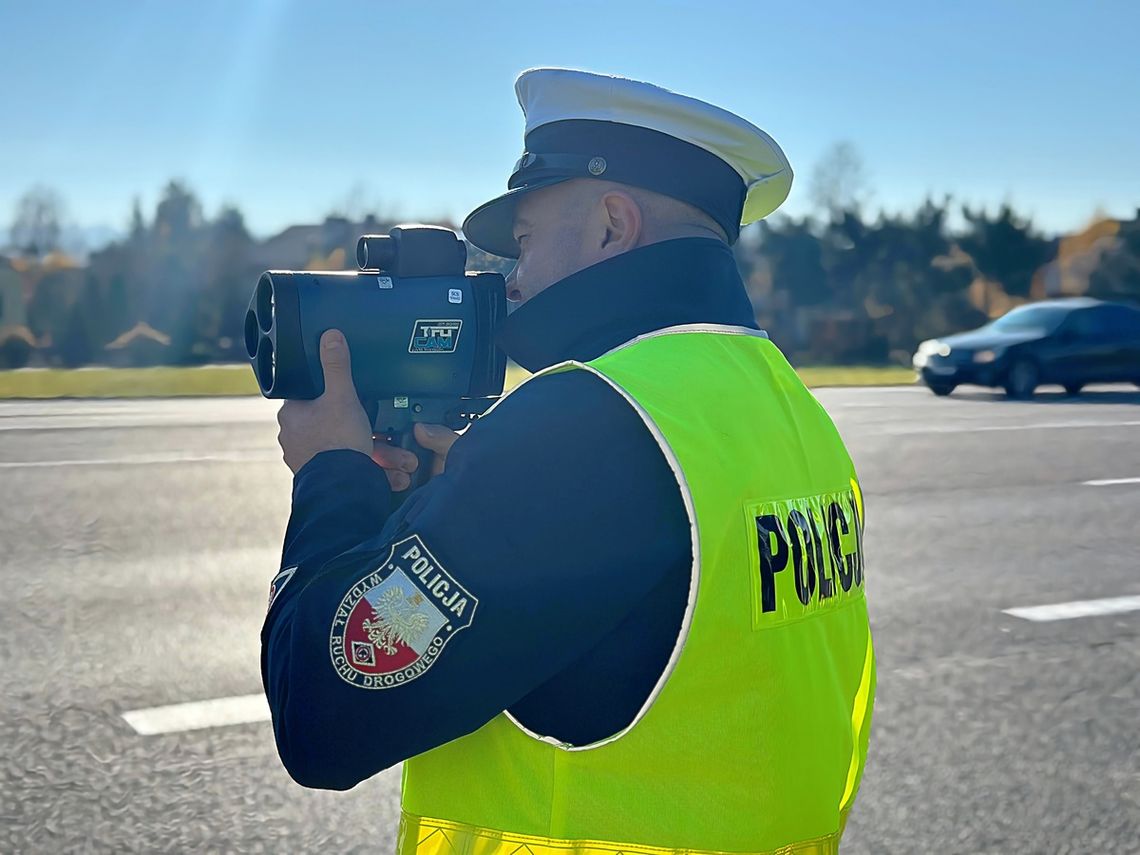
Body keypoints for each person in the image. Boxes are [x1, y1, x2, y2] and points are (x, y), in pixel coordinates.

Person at [268, 67, 875, 855]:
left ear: (612, 225)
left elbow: (321, 715)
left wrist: (331, 473)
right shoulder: (788, 408)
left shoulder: (583, 424)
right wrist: (459, 502)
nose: (512, 280)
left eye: (523, 243)